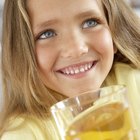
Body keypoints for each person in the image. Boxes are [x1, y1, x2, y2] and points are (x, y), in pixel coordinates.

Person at [0, 0, 140, 139]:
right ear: (22, 55)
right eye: (47, 34)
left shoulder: (135, 84)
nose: (76, 50)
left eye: (90, 22)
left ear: (115, 32)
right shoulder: (22, 134)